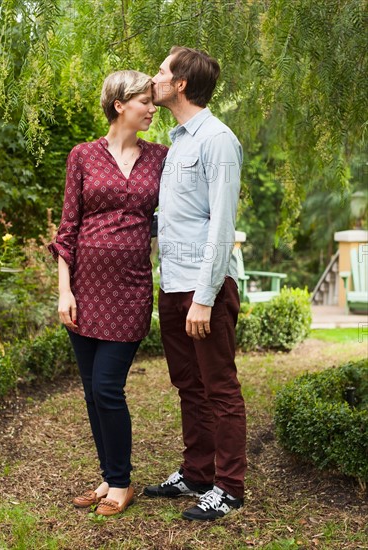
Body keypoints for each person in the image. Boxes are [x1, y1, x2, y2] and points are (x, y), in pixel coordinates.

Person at [48, 70, 168, 517]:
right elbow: (67, 229)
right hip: (83, 290)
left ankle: (121, 482)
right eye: (144, 101)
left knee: (107, 386)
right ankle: (108, 474)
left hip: (131, 290)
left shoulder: (161, 158)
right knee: (91, 392)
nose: (152, 108)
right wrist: (65, 292)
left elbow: (175, 213)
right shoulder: (82, 156)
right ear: (119, 104)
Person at [144, 47, 247, 521]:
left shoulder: (217, 140)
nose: (155, 77)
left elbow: (221, 227)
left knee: (219, 387)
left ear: (181, 83)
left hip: (204, 289)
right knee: (188, 384)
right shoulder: (178, 141)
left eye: (162, 71)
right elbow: (176, 218)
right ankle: (197, 473)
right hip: (173, 284)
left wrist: (203, 299)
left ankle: (228, 488)